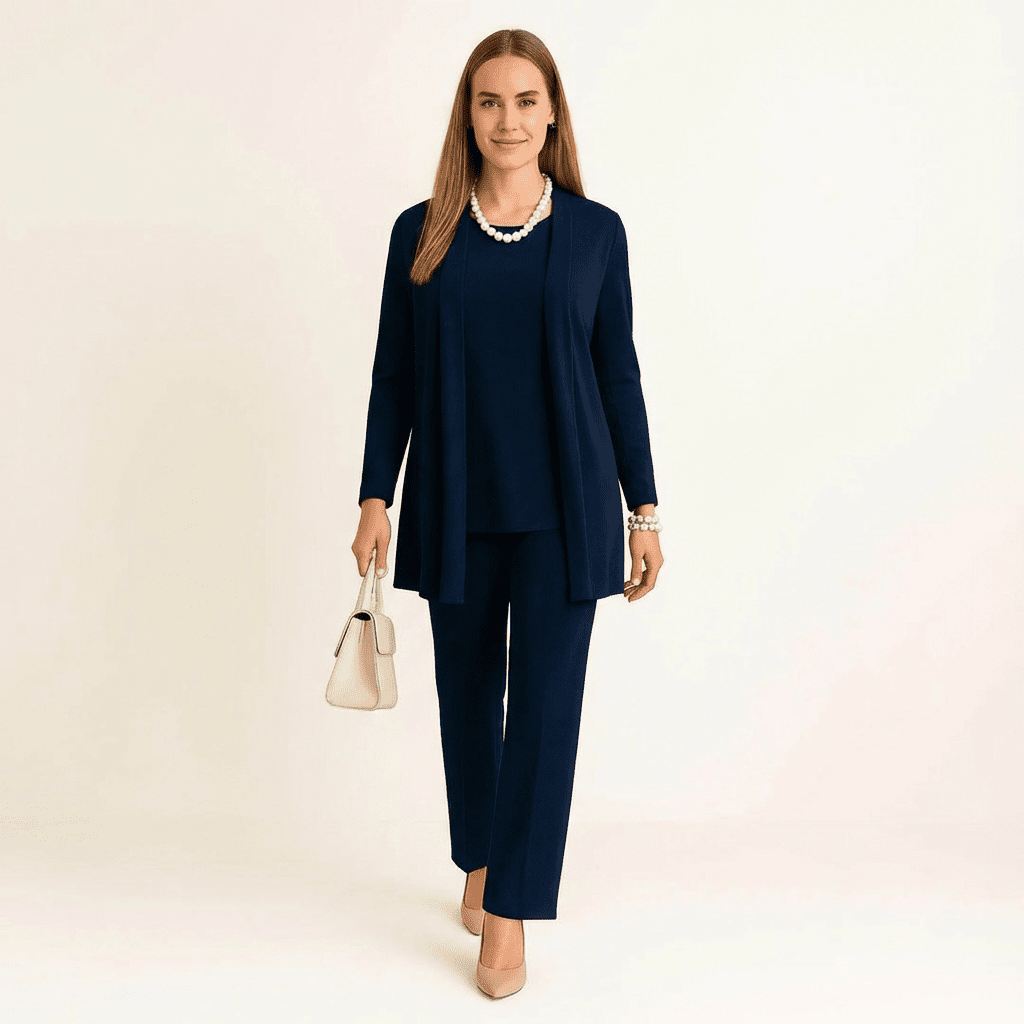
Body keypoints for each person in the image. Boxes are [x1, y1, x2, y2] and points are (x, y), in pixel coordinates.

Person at [351, 28, 663, 998]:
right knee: (466, 698)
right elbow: (393, 372)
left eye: (526, 101)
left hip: (567, 509)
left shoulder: (596, 233)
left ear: (552, 113)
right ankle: (481, 857)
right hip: (456, 502)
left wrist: (644, 509)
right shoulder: (422, 230)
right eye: (490, 101)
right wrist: (375, 493)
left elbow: (617, 373)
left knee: (544, 709)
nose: (509, 119)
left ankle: (510, 912)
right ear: (468, 115)